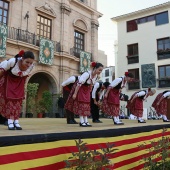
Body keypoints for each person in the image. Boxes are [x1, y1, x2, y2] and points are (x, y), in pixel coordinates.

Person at [0, 50, 35, 130]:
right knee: (10, 101)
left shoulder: (32, 66)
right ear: (22, 58)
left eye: (30, 63)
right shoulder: (13, 62)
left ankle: (16, 121)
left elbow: (25, 77)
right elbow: (1, 71)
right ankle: (10, 121)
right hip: (8, 80)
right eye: (27, 62)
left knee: (18, 101)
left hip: (19, 82)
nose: (29, 65)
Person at [65, 62, 103, 127]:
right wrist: (75, 93)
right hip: (81, 89)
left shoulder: (95, 76)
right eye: (99, 70)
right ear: (95, 68)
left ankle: (86, 121)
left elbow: (91, 84)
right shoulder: (86, 74)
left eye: (101, 70)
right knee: (82, 104)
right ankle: (82, 121)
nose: (100, 71)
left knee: (87, 105)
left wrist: (89, 92)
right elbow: (79, 84)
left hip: (87, 90)